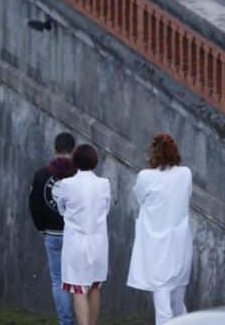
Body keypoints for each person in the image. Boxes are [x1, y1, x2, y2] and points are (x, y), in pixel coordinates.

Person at [127, 134, 193, 325]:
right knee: (179, 302)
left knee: (163, 303)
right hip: (180, 243)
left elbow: (139, 198)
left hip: (156, 245)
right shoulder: (185, 174)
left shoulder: (146, 177)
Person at [53, 144, 111, 325]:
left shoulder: (66, 185)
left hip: (76, 242)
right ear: (94, 161)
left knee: (78, 289)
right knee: (95, 287)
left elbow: (61, 209)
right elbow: (106, 209)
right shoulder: (104, 184)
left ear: (75, 161)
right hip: (99, 242)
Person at [28, 132, 77, 325]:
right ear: (73, 151)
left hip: (52, 235)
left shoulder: (41, 174)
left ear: (54, 149)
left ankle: (66, 322)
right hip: (75, 234)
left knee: (58, 282)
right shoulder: (80, 174)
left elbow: (34, 204)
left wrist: (42, 228)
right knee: (79, 282)